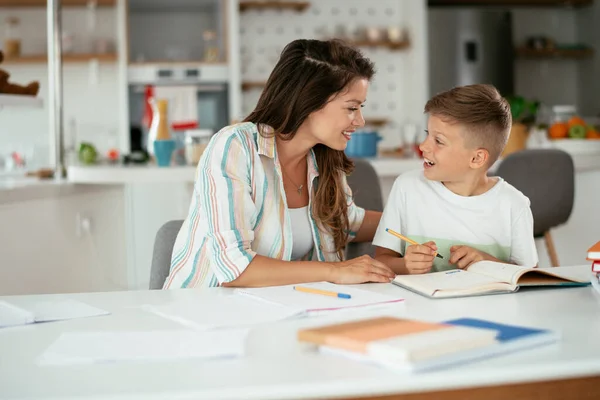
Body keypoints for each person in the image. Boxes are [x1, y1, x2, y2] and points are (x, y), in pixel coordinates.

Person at [163, 39, 395, 289]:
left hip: (278, 310)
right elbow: (235, 269)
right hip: (204, 313)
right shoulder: (235, 147)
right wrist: (335, 271)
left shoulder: (324, 158)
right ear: (310, 101)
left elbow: (347, 223)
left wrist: (422, 223)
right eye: (351, 108)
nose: (359, 121)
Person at [373, 84, 538, 275]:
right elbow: (382, 261)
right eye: (428, 134)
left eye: (439, 141)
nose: (423, 146)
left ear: (476, 159)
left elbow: (530, 277)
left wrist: (487, 262)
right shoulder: (407, 187)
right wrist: (405, 265)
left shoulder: (514, 205)